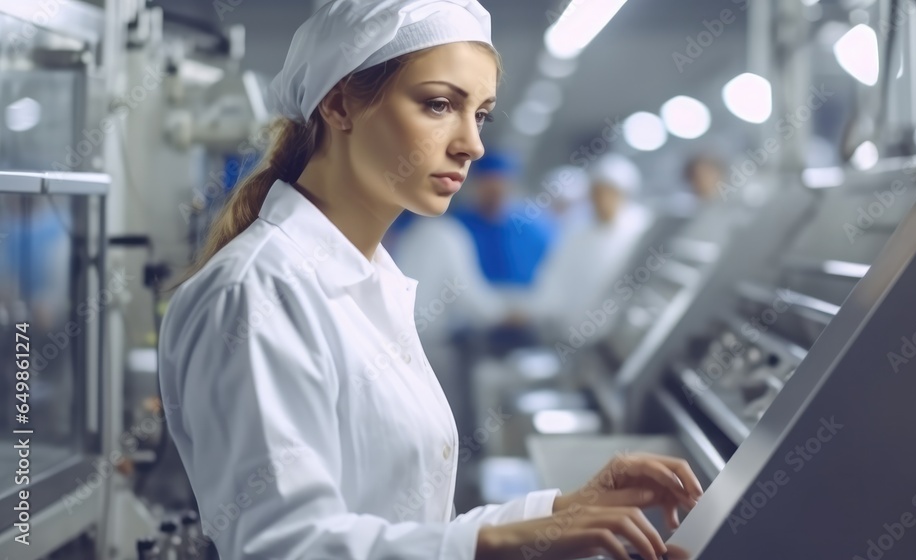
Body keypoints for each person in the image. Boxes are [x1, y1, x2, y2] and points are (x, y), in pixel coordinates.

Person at [157, 2, 699, 559]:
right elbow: (287, 547)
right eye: (439, 104)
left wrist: (562, 511)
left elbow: (403, 520)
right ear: (339, 103)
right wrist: (508, 542)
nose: (472, 144)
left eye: (481, 114)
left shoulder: (368, 282)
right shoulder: (257, 294)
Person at [526, 153, 655, 338]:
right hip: (569, 331)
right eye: (597, 192)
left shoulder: (640, 228)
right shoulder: (577, 230)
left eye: (610, 192)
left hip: (619, 333)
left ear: (624, 194)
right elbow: (555, 275)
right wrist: (541, 309)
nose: (602, 199)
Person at [454, 151, 555, 289]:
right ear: (475, 184)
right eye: (489, 183)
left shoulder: (533, 230)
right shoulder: (456, 229)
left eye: (502, 183)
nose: (496, 190)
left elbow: (550, 274)